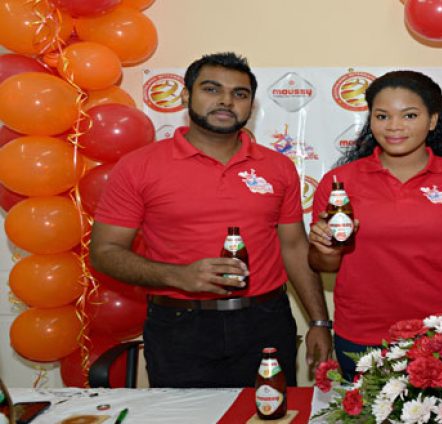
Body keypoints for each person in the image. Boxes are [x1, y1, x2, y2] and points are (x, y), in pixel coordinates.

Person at [89, 52, 332, 388]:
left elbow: (293, 246)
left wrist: (319, 321)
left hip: (265, 321)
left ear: (251, 105)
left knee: (271, 414)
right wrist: (179, 276)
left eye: (240, 94)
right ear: (187, 95)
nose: (226, 101)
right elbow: (104, 251)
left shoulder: (278, 167)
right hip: (178, 324)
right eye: (212, 89)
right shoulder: (139, 165)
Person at [308, 70, 442, 380]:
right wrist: (323, 246)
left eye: (409, 115)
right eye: (382, 116)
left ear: (433, 120)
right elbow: (323, 264)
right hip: (365, 336)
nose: (394, 126)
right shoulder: (339, 183)